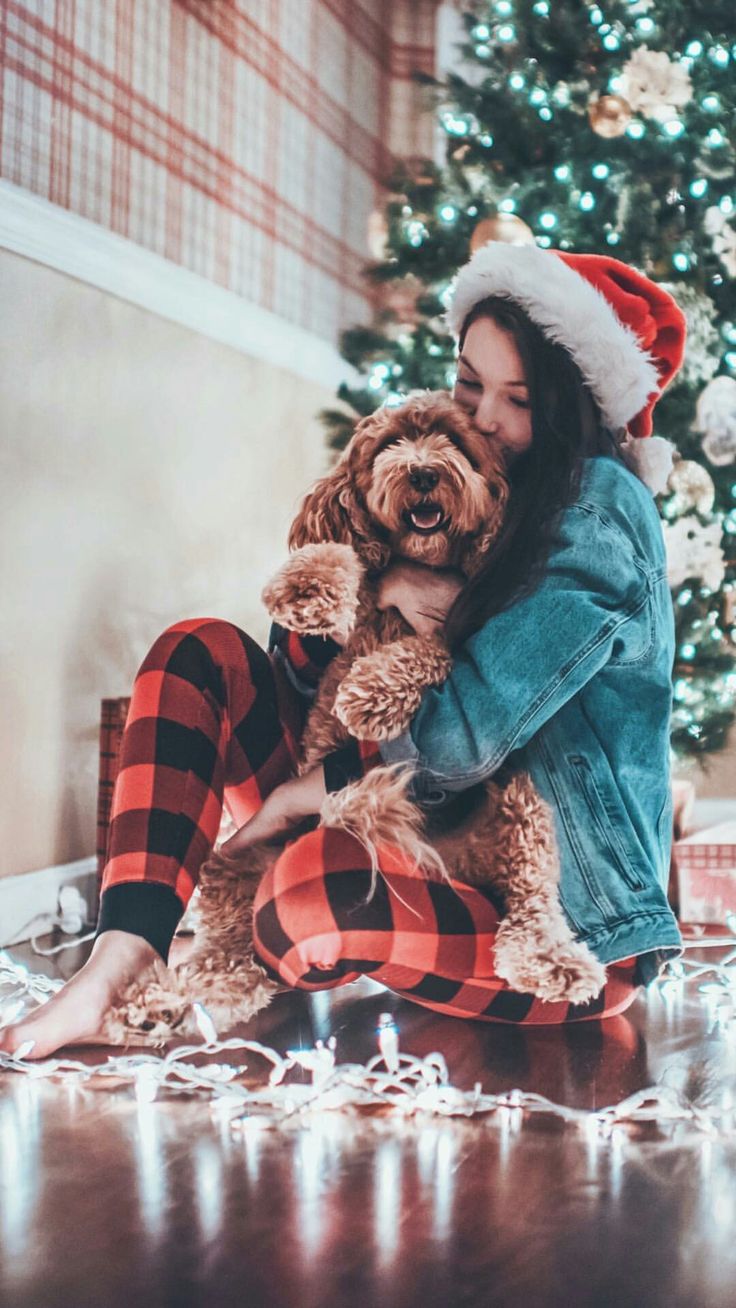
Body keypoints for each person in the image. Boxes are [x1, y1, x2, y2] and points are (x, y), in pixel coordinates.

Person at [0, 244, 687, 1059]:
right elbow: (312, 673)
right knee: (196, 654)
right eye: (470, 383)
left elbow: (461, 741)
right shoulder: (474, 483)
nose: (486, 419)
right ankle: (115, 965)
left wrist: (305, 793)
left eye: (520, 399)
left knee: (307, 900)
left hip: (559, 929)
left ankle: (266, 936)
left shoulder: (596, 512)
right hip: (411, 840)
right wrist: (381, 580)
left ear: (576, 407)